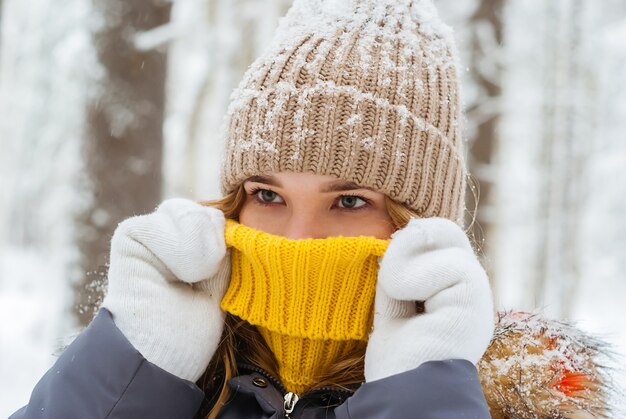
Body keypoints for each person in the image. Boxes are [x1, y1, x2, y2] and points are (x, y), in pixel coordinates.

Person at [12, 0, 497, 417]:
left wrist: (420, 397)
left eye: (349, 202)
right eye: (268, 195)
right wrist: (135, 369)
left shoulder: (513, 398)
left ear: (421, 227)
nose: (297, 239)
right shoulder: (168, 370)